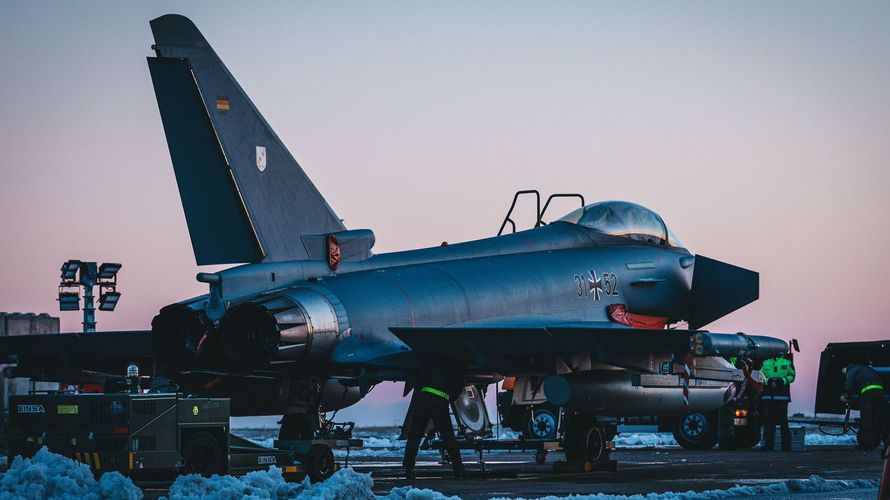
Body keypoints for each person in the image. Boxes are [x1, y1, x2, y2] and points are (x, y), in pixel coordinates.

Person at [402, 366, 466, 480]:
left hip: (423, 399)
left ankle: (408, 468)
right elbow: (457, 388)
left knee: (415, 436)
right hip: (439, 402)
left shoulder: (432, 361)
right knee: (449, 437)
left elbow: (419, 377)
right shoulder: (456, 365)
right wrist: (446, 399)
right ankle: (458, 469)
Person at [842, 365, 885, 450]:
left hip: (868, 392)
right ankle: (874, 442)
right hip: (879, 391)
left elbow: (849, 384)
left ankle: (866, 445)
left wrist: (846, 394)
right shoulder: (867, 369)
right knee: (875, 418)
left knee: (866, 419)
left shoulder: (851, 371)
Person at [760, 354, 795, 451]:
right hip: (768, 397)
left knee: (783, 422)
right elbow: (760, 376)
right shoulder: (765, 362)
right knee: (769, 422)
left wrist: (782, 380)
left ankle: (786, 447)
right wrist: (768, 381)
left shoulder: (787, 362)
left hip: (782, 397)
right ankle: (768, 446)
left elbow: (792, 376)